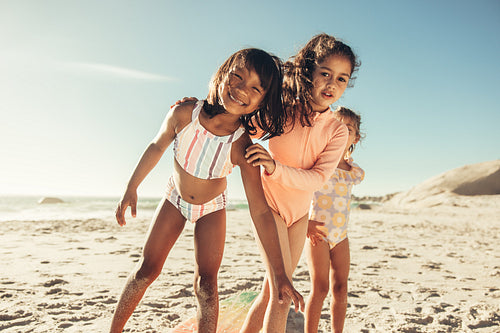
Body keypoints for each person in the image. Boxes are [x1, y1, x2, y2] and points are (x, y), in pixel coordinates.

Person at [109, 48, 303, 333]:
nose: (240, 89)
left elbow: (260, 211)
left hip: (211, 208)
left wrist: (280, 274)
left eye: (254, 88)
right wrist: (131, 187)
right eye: (236, 76)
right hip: (174, 198)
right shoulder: (184, 113)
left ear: (261, 102)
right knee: (146, 270)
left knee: (207, 285)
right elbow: (156, 146)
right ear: (222, 74)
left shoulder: (242, 146)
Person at [241, 34, 360, 332]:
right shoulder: (282, 108)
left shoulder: (336, 132)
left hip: (299, 215)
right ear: (309, 71)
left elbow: (318, 178)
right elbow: (240, 123)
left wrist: (274, 165)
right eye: (325, 74)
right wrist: (202, 107)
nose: (332, 84)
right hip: (270, 207)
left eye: (342, 79)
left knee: (272, 291)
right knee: (282, 294)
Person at [305, 106, 365, 333]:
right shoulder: (317, 161)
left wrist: (346, 159)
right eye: (337, 125)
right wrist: (306, 224)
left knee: (340, 287)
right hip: (317, 233)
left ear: (355, 138)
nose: (342, 131)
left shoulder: (352, 171)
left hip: (341, 236)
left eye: (348, 129)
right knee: (319, 288)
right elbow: (302, 191)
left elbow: (356, 174)